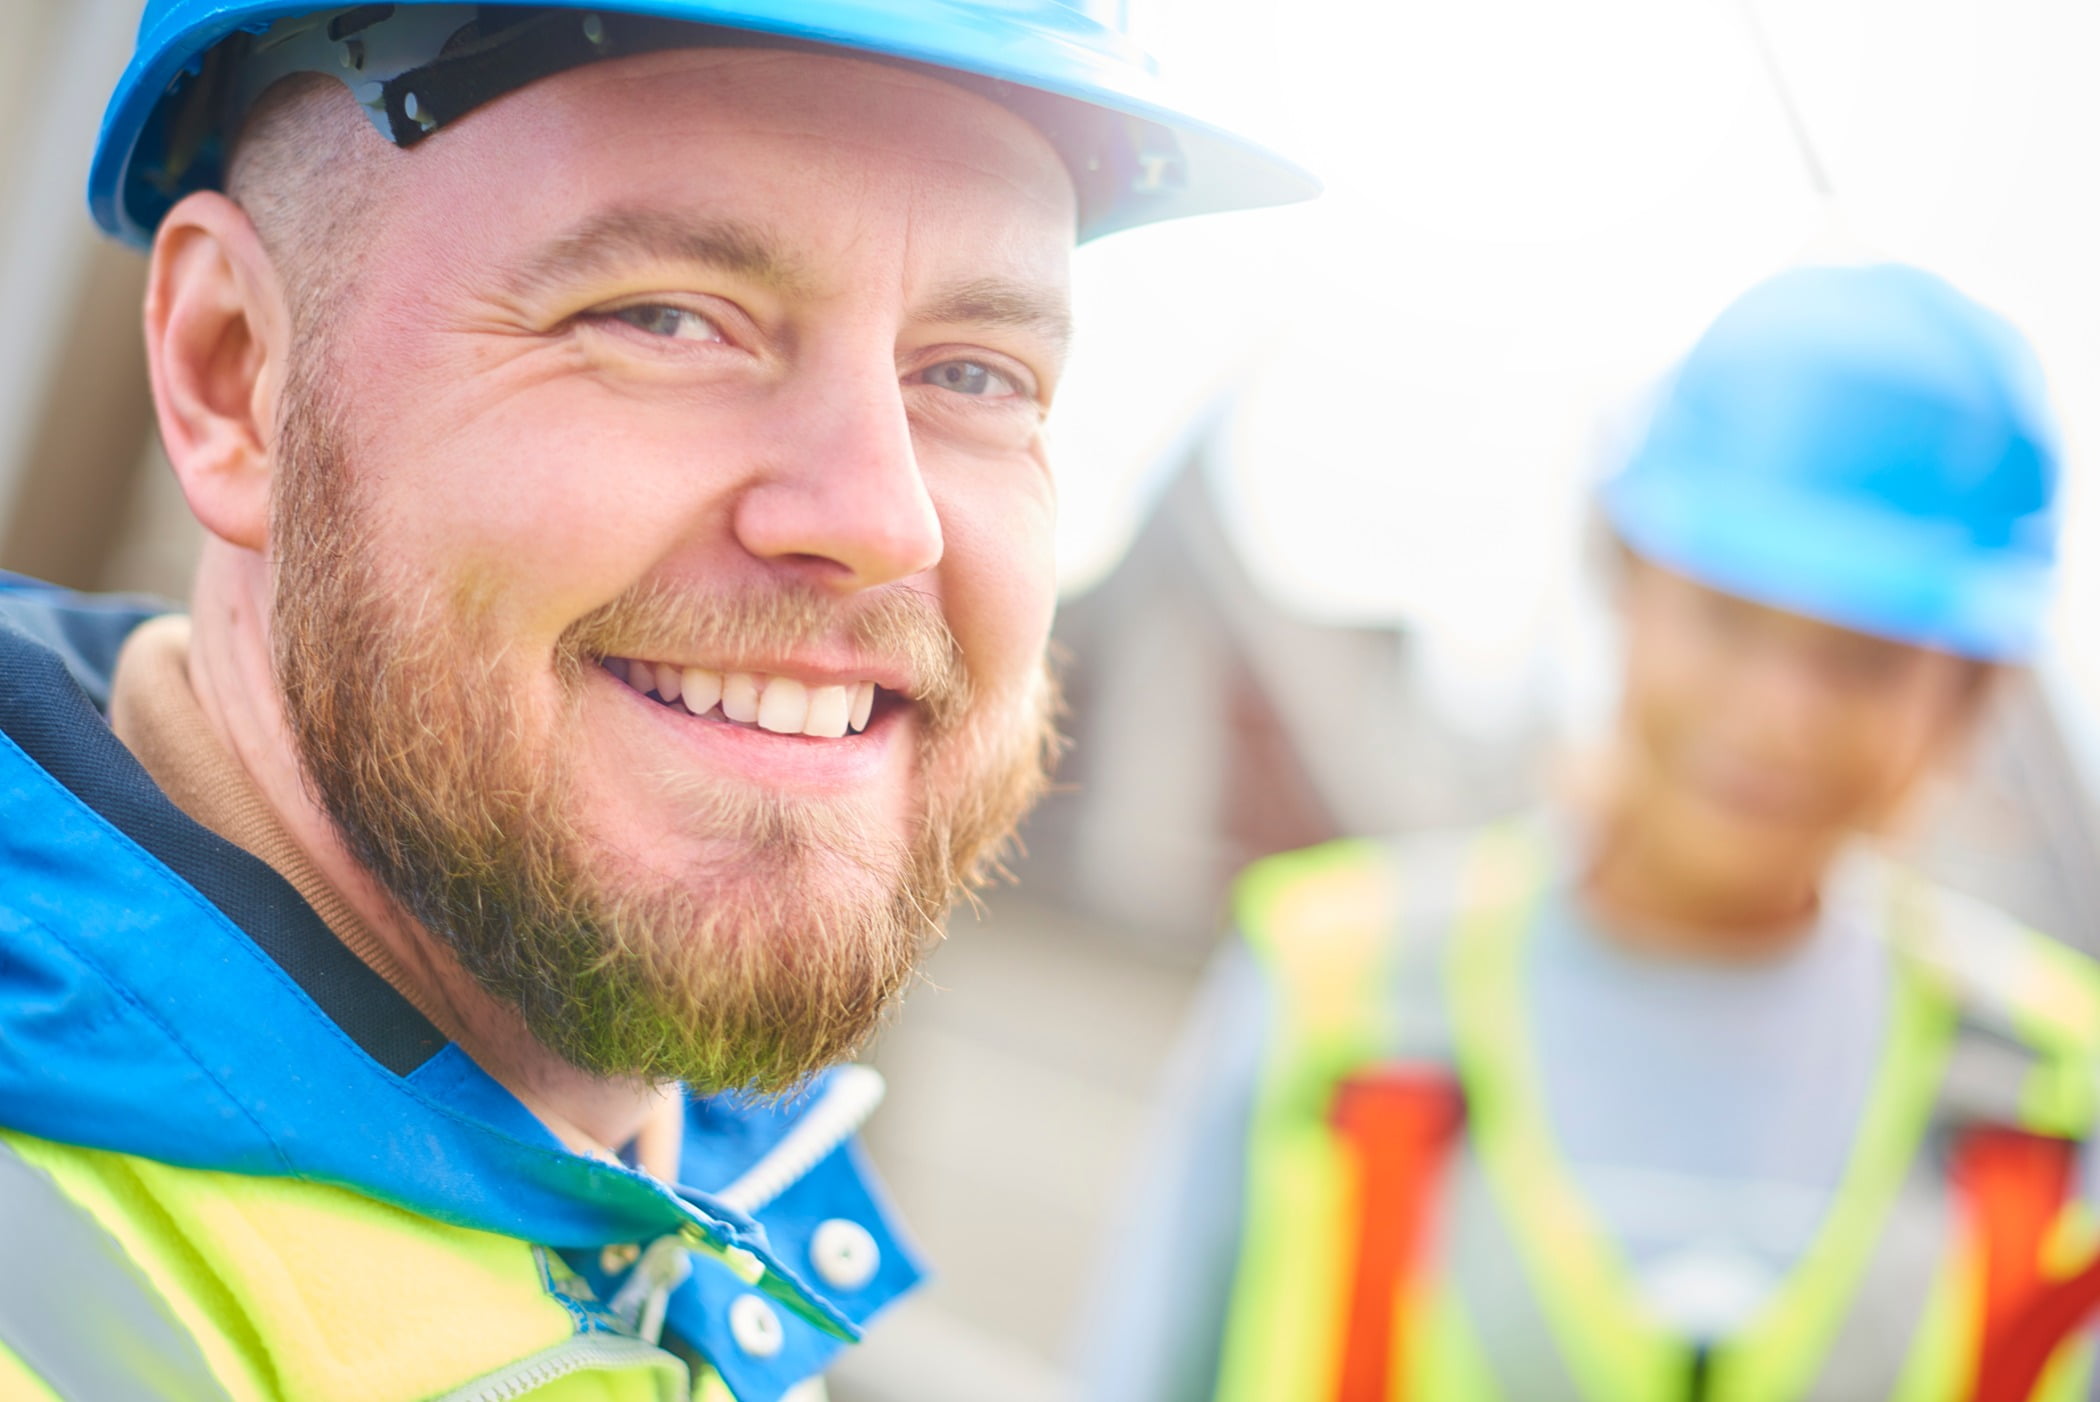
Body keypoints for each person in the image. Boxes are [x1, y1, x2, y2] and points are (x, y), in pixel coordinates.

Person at [0, 4, 1314, 1400]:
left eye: (975, 373)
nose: (883, 516)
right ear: (233, 375)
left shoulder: (681, 1219)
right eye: (665, 316)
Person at [1082, 263, 2100, 1402]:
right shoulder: (1335, 991)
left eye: (1863, 660)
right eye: (1728, 615)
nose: (1780, 715)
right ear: (1622, 580)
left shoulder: (2058, 1087)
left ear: (1965, 700)